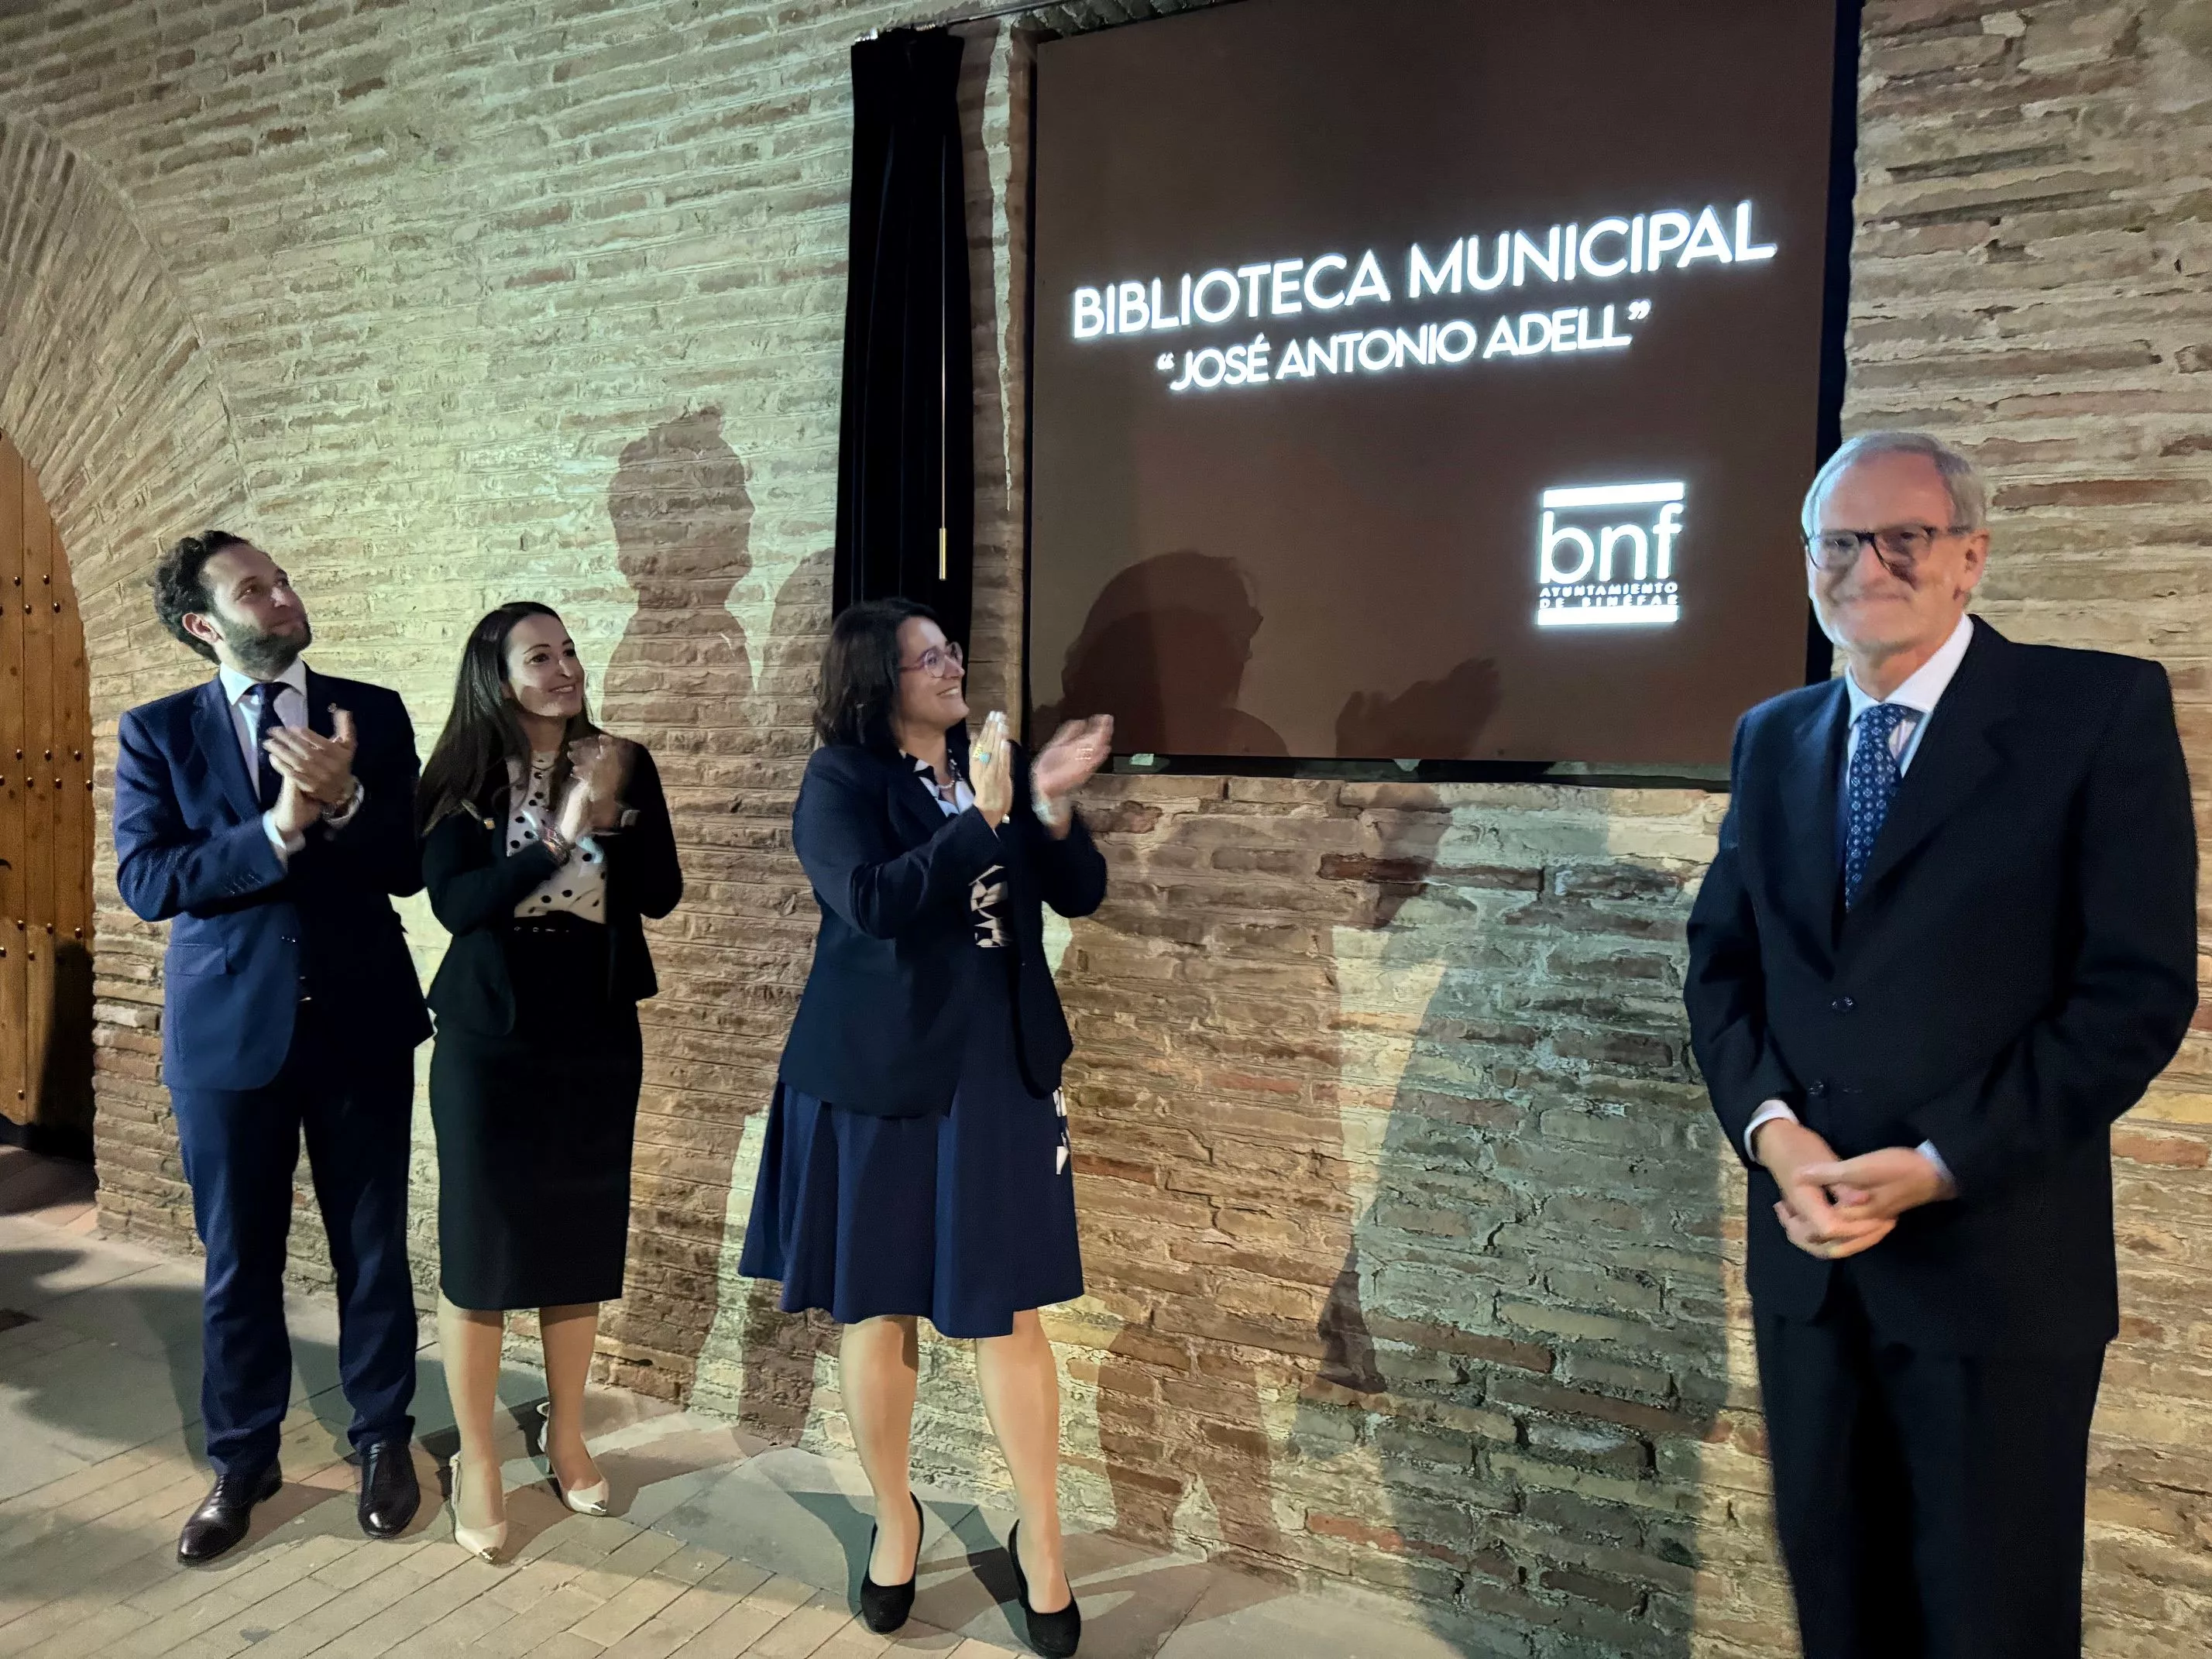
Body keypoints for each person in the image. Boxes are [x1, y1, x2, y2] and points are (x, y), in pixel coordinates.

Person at [1685, 431, 2197, 1659]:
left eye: (1903, 537)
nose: (1868, 565)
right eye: (1838, 541)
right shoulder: (1774, 735)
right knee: (1839, 1609)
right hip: (1811, 1266)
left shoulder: (2094, 712)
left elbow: (2132, 996)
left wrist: (1936, 1161)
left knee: (1991, 1622)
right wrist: (1774, 1133)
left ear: (1971, 555)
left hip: (1997, 1271)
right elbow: (1724, 968)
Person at [740, 600, 1111, 1656]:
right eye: (928, 657)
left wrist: (1046, 804)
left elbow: (1080, 891)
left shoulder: (997, 762)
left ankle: (1042, 1539)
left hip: (998, 1067)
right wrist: (983, 819)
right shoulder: (841, 780)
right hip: (878, 1074)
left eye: (952, 650)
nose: (953, 666)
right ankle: (895, 1518)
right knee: (878, 1305)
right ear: (877, 681)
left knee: (1008, 1311)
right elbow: (872, 901)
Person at [115, 532, 431, 1564]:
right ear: (203, 624)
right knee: (239, 1258)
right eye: (255, 589)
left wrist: (347, 799)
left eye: (282, 579)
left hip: (360, 1021)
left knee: (373, 1249)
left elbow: (410, 865)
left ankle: (382, 1437)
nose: (284, 595)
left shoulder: (369, 712)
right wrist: (276, 827)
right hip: (226, 1035)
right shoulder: (158, 731)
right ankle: (242, 1459)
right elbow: (148, 880)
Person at [415, 602, 682, 1560]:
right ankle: (480, 1458)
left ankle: (566, 1433)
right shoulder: (459, 776)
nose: (566, 668)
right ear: (498, 676)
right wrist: (560, 837)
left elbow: (660, 893)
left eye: (569, 650)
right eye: (541, 656)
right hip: (491, 1032)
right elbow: (457, 904)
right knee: (482, 1244)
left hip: (596, 1025)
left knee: (577, 1234)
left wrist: (619, 816)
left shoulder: (622, 760)